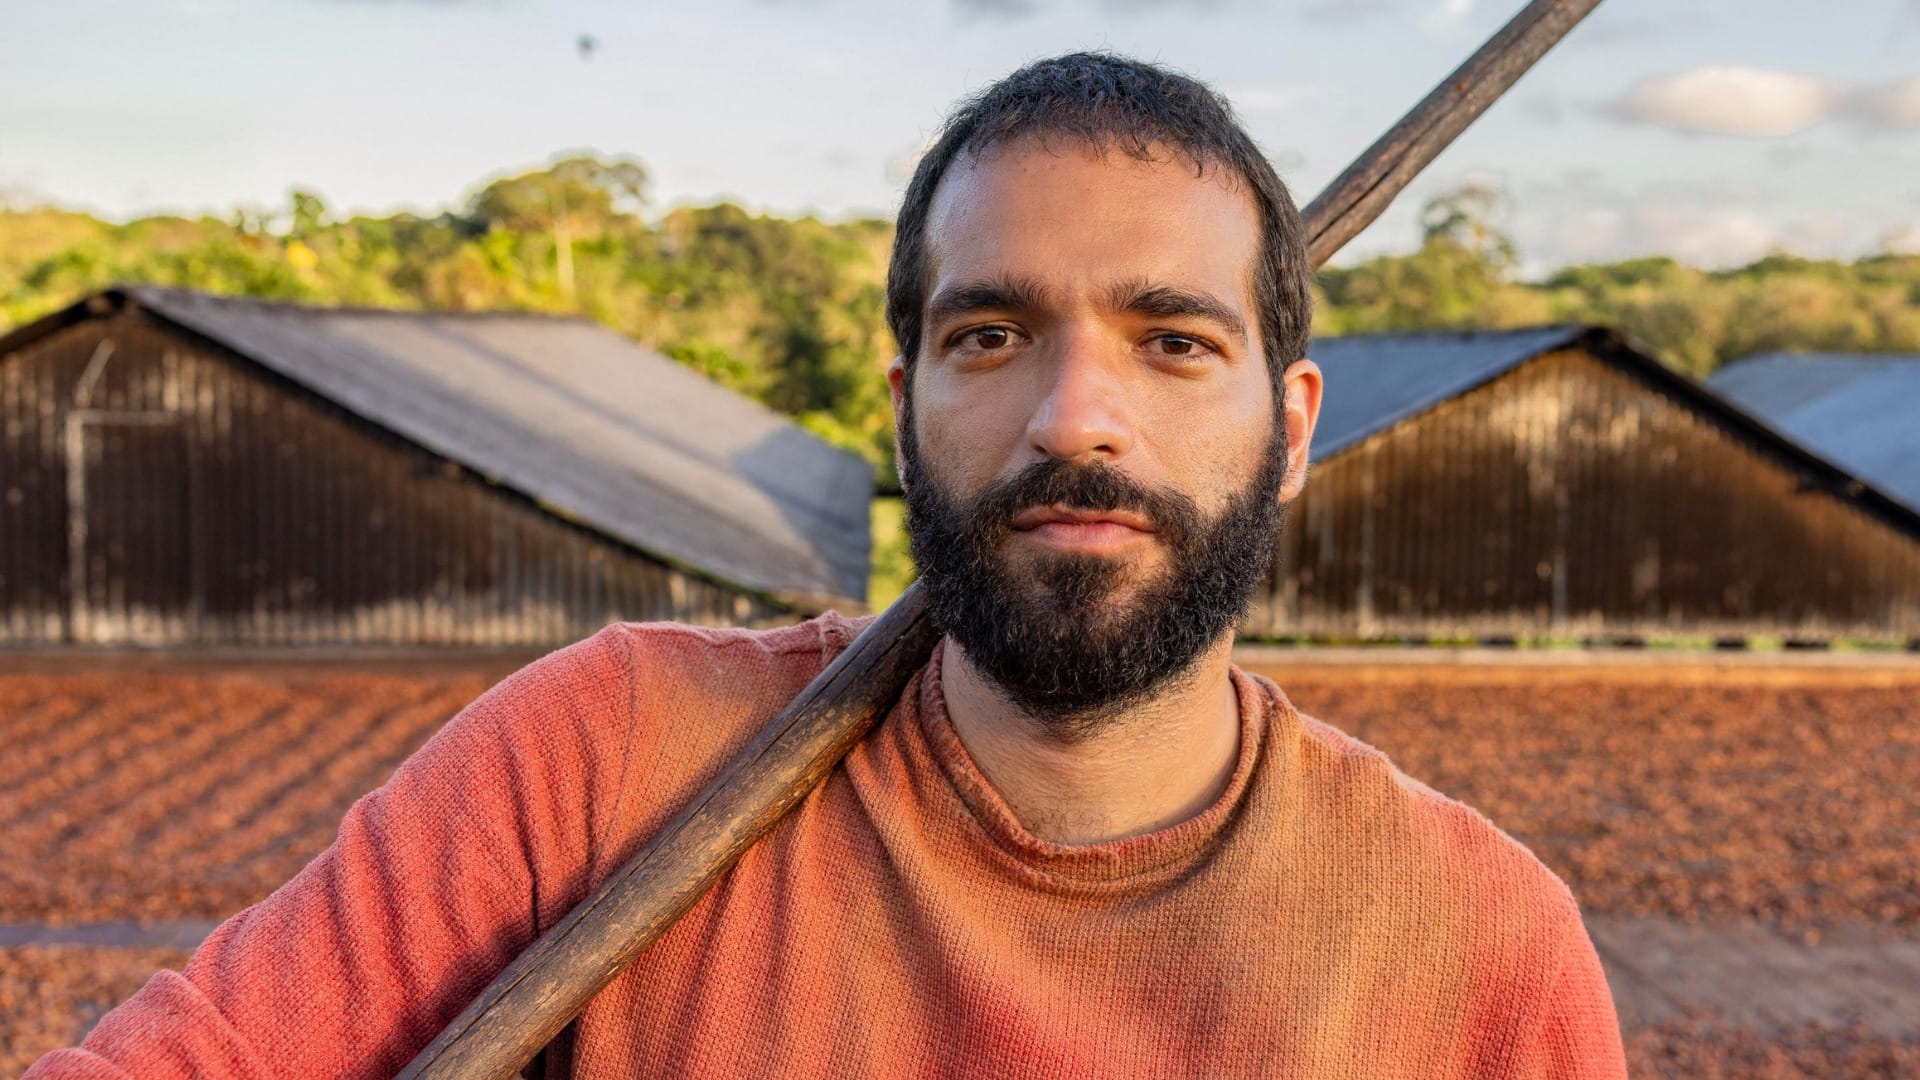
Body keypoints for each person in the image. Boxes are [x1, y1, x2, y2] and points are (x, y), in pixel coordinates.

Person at [29, 53, 1626, 1080]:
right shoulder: (610, 759)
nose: (1077, 416)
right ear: (904, 409)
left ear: (1288, 428)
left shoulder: (1477, 950)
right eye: (989, 335)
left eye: (1173, 339)